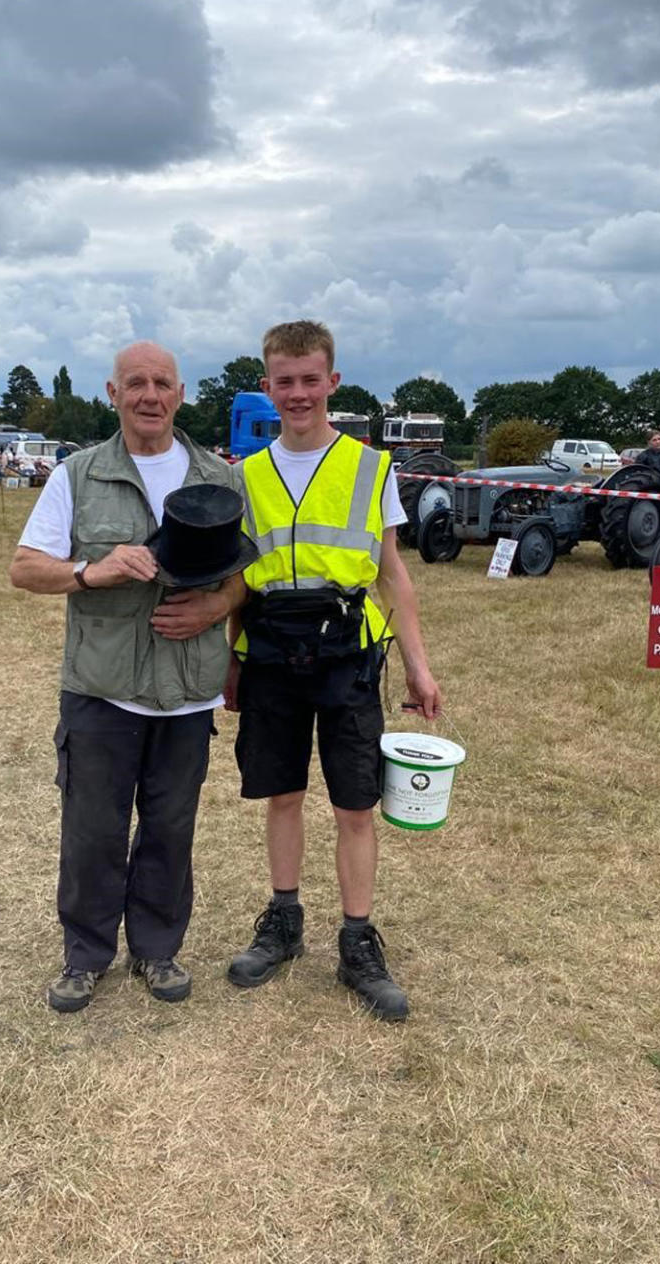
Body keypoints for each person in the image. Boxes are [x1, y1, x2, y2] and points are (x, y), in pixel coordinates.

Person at [9, 341, 246, 1013]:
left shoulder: (220, 479)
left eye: (162, 383)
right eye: (135, 383)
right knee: (92, 832)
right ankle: (85, 957)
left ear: (180, 394)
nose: (150, 395)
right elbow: (25, 568)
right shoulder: (77, 476)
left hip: (186, 696)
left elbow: (241, 580)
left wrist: (217, 605)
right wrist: (92, 571)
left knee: (171, 830)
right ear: (112, 394)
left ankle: (157, 950)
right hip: (101, 690)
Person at [225, 320, 442, 1023]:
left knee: (355, 804)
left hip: (348, 654)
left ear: (332, 383)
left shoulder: (372, 468)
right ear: (267, 387)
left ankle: (357, 943)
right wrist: (232, 658)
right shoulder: (243, 476)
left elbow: (393, 575)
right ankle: (283, 924)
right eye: (283, 381)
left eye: (309, 379)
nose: (296, 393)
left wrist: (418, 666)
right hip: (270, 652)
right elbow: (237, 579)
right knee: (281, 793)